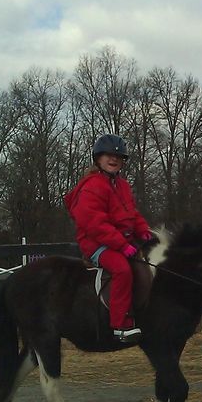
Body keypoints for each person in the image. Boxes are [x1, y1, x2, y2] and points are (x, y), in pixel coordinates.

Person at [64, 134, 152, 343]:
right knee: (122, 269)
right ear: (98, 158)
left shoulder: (123, 186)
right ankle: (120, 324)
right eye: (109, 156)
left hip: (121, 241)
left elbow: (132, 213)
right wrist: (122, 245)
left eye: (118, 157)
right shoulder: (92, 186)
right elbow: (95, 224)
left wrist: (143, 230)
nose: (114, 159)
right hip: (97, 244)